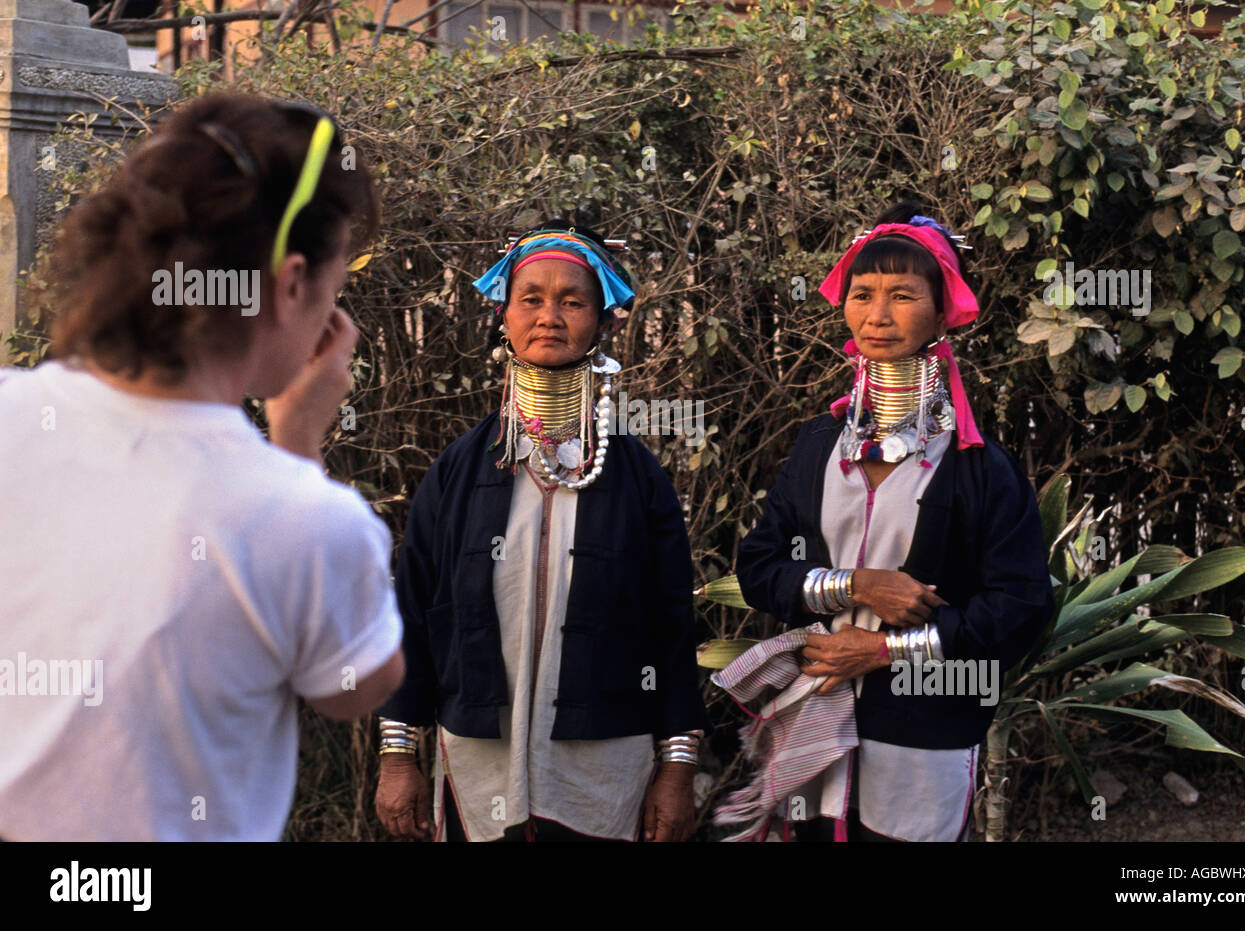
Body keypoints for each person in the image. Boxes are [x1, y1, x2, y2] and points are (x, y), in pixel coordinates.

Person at [0, 93, 405, 841]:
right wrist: (298, 450)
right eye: (333, 288)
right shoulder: (305, 516)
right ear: (289, 285)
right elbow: (356, 686)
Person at [724, 202, 1055, 842]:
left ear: (941, 309)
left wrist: (884, 651)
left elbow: (1019, 609)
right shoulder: (819, 444)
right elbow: (761, 567)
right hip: (815, 719)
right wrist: (856, 586)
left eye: (902, 295)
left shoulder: (978, 465)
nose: (877, 315)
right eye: (862, 294)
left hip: (923, 739)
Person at [374, 220, 710, 842]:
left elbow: (672, 629)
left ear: (605, 323)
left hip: (604, 763)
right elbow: (413, 613)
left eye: (572, 301)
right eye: (531, 298)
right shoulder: (458, 470)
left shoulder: (636, 479)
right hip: (479, 761)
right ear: (504, 317)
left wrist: (678, 767)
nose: (549, 316)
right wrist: (398, 754)